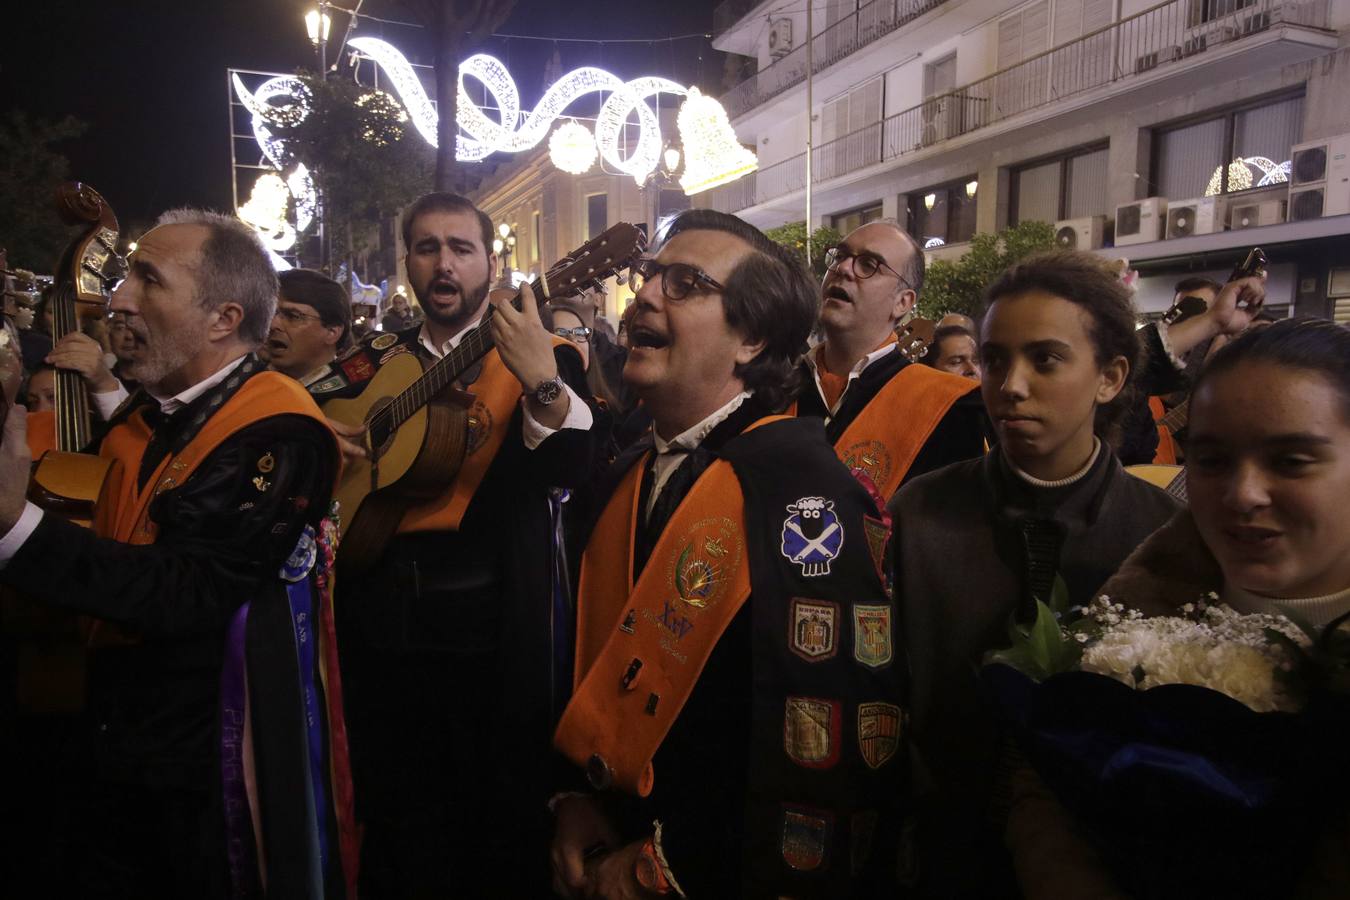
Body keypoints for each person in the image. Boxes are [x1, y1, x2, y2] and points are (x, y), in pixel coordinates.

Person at [551, 209, 906, 898]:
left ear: (751, 337)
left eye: (685, 283)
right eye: (651, 276)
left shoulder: (809, 501)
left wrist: (670, 859)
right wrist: (575, 800)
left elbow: (816, 738)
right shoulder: (627, 471)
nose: (647, 296)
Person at [0, 209, 348, 898]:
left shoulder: (280, 428)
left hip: (196, 788)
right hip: (110, 753)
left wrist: (15, 525)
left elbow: (189, 591)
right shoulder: (148, 409)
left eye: (147, 279)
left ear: (222, 318)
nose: (119, 299)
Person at [1007, 317, 1350, 900]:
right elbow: (1041, 792)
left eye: (1291, 461)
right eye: (1212, 462)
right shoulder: (1135, 605)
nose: (1242, 495)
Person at [329, 191, 606, 897]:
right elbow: (316, 409)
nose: (444, 264)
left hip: (486, 641)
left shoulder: (544, 354)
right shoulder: (377, 359)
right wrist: (323, 439)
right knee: (394, 822)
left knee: (492, 831)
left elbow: (573, 467)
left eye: (460, 248)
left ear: (492, 261)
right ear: (409, 263)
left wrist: (540, 377)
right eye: (427, 248)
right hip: (377, 629)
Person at [889, 250, 1185, 898]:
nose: (1011, 386)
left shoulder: (1165, 532)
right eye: (995, 360)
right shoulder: (919, 512)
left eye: (1044, 360)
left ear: (1110, 377)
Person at [795, 221, 986, 500]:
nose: (843, 269)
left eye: (868, 265)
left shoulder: (953, 409)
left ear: (903, 302)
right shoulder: (773, 389)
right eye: (840, 256)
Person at [265, 267, 352, 386]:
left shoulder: (357, 397)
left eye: (293, 316)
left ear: (332, 332)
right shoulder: (244, 388)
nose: (273, 324)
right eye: (270, 313)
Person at [106, 311, 139, 391]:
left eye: (137, 327)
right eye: (120, 328)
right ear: (109, 335)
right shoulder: (102, 383)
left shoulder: (165, 385)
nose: (129, 336)